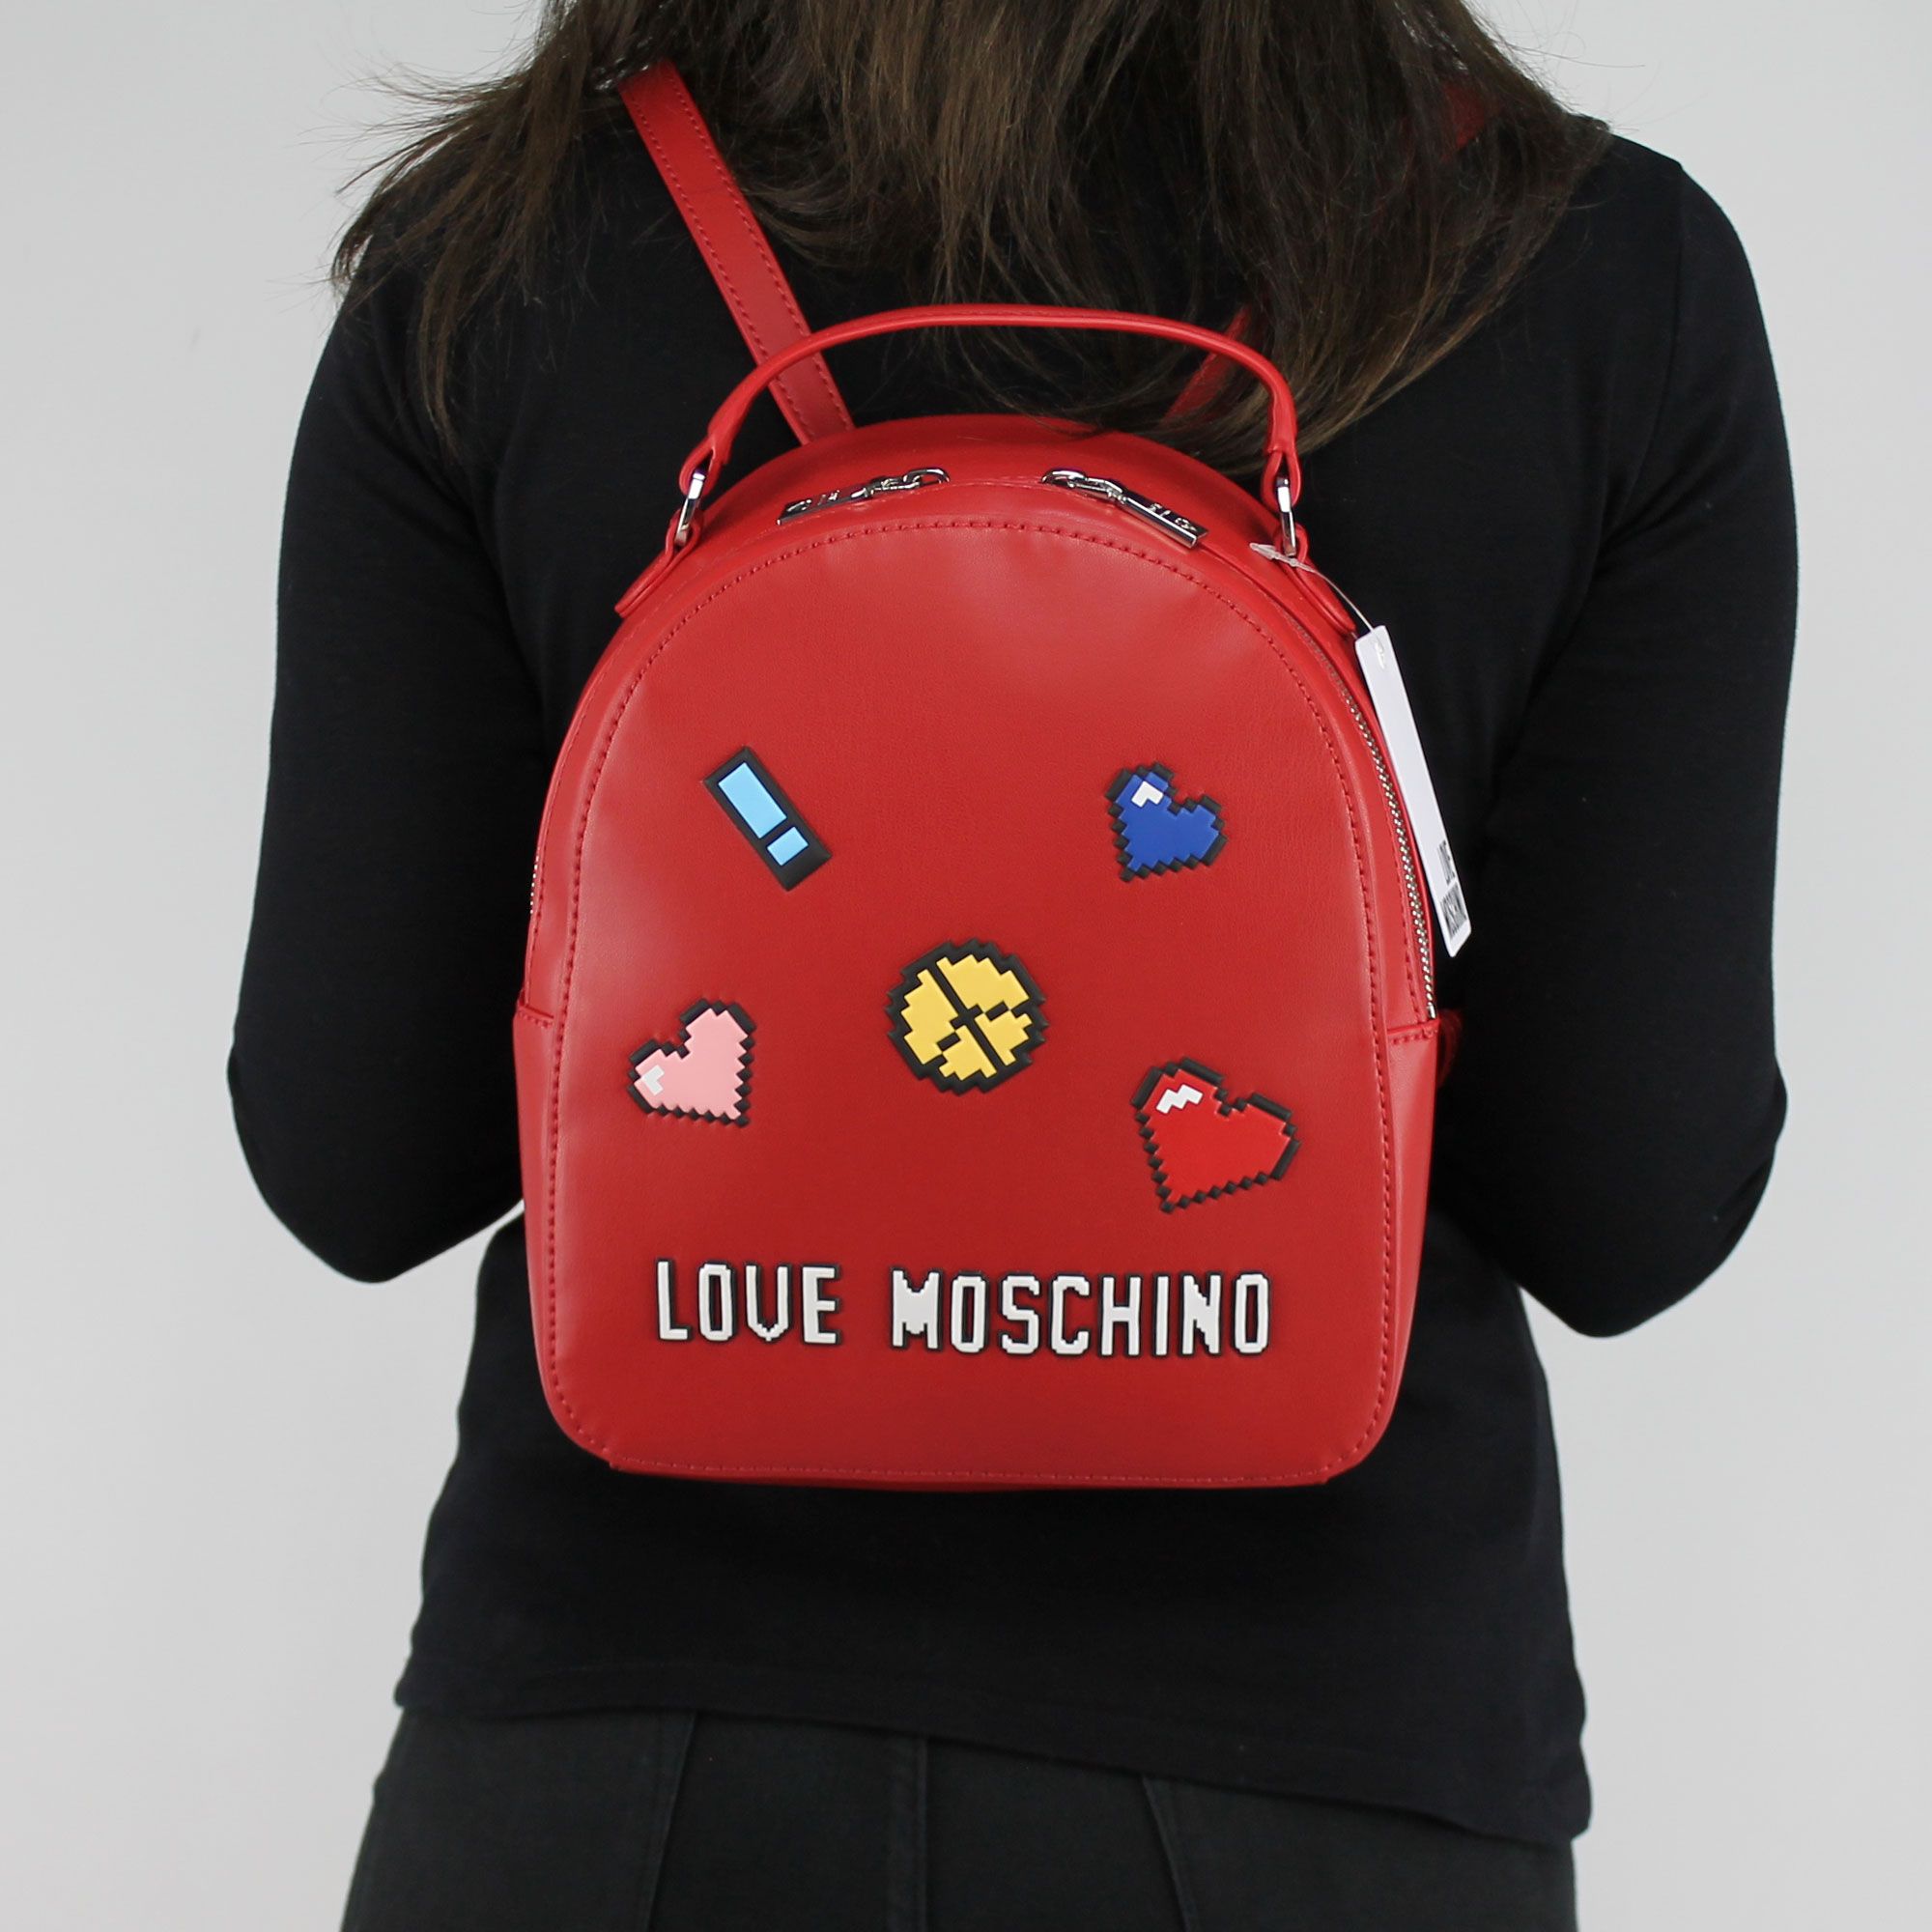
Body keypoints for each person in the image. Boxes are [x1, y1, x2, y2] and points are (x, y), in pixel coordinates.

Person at [231, 3, 1796, 1925]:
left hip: (610, 1756)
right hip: (1325, 1764)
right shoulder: (1574, 261)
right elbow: (1627, 1204)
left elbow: (357, 1157)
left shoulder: (510, 246)